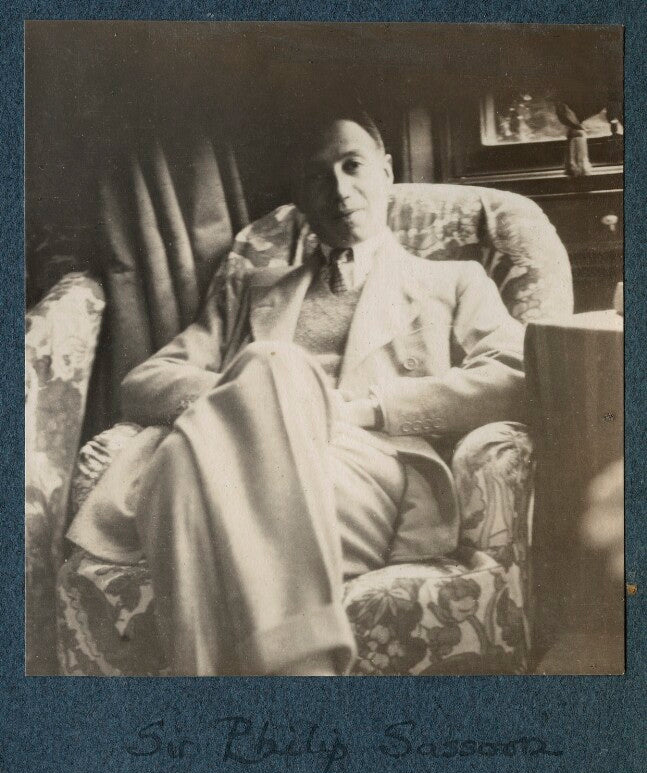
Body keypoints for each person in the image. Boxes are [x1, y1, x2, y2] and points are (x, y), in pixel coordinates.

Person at [67, 106, 526, 676]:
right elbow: (145, 382)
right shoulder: (251, 289)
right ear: (300, 197)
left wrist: (369, 409)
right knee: (200, 441)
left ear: (386, 170)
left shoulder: (452, 281)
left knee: (204, 442)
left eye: (352, 165)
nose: (339, 189)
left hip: (365, 471)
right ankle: (295, 671)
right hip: (244, 471)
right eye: (316, 176)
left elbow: (516, 374)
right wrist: (259, 394)